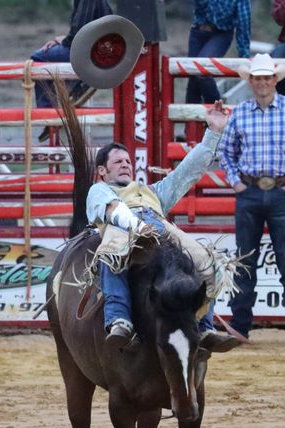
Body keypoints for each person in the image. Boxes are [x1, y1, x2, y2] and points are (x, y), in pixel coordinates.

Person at [87, 101, 240, 353]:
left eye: (128, 161)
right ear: (102, 170)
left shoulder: (152, 192)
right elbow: (113, 209)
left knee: (208, 261)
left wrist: (214, 131)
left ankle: (204, 326)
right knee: (112, 253)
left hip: (158, 226)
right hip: (122, 229)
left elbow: (187, 172)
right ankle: (119, 320)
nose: (126, 164)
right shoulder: (99, 190)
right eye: (118, 162)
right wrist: (138, 226)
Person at [218, 53, 285, 349]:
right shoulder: (240, 113)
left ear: (274, 80)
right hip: (249, 190)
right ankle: (241, 326)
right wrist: (235, 182)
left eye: (266, 77)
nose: (262, 82)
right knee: (245, 262)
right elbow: (226, 152)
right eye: (257, 78)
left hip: (280, 191)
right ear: (251, 81)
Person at [31, 0, 113, 141]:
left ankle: (48, 113)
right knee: (54, 60)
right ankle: (74, 89)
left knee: (38, 58)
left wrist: (62, 41)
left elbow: (79, 33)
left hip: (87, 51)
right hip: (97, 48)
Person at [186, 0, 251, 105]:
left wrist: (244, 55)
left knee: (203, 71)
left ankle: (218, 110)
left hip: (222, 33)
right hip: (198, 29)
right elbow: (199, 6)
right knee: (192, 75)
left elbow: (244, 23)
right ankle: (191, 114)